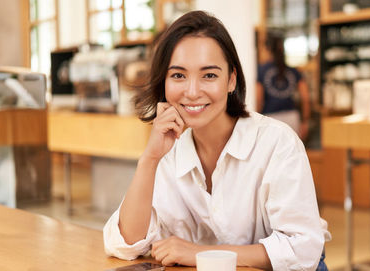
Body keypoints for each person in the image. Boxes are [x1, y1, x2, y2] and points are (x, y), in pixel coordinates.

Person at [103, 11, 330, 271]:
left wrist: (201, 254)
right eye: (178, 75)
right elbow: (124, 244)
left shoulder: (277, 143)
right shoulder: (169, 150)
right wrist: (150, 159)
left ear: (231, 80)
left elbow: (301, 250)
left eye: (209, 75)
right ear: (163, 82)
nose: (192, 92)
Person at [256, 34, 311, 141]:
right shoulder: (293, 71)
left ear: (267, 49)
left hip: (269, 119)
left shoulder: (261, 70)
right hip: (292, 117)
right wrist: (305, 121)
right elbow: (305, 97)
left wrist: (255, 121)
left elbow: (259, 99)